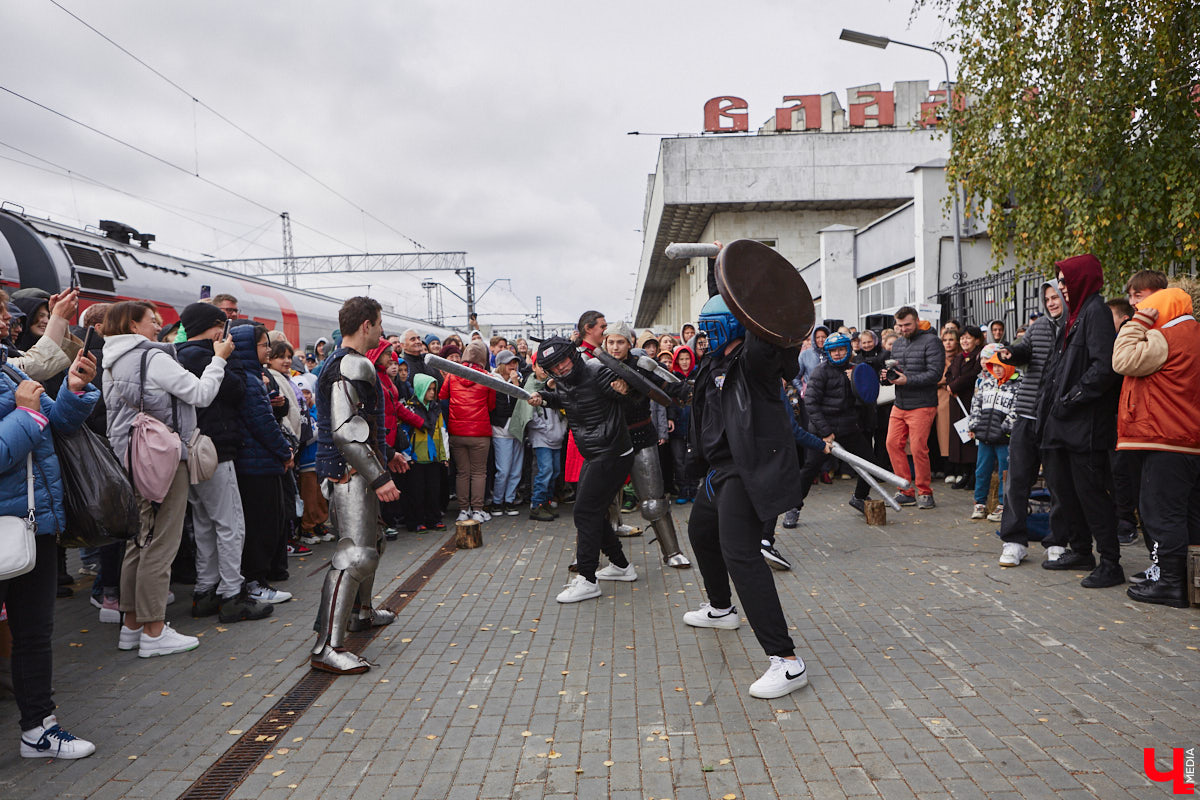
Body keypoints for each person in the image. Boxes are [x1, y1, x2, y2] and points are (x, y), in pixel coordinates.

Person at [682, 283, 810, 700]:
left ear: (738, 324)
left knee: (741, 555)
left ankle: (787, 662)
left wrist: (740, 280)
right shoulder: (714, 361)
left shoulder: (755, 360)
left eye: (711, 325)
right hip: (718, 470)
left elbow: (768, 329)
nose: (703, 334)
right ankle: (721, 608)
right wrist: (723, 275)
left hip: (746, 470)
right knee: (701, 532)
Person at [102, 301, 229, 658]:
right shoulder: (152, 358)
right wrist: (218, 359)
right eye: (151, 321)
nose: (158, 327)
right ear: (133, 324)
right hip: (163, 458)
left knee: (138, 541)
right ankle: (155, 630)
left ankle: (131, 626)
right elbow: (201, 393)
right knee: (162, 542)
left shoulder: (112, 360)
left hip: (130, 457)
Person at [0, 324, 99, 758]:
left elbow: (52, 426)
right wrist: (25, 414)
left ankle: (39, 729)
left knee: (35, 634)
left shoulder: (6, 366)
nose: (9, 322)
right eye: (1, 312)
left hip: (31, 524)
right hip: (8, 526)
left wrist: (75, 390)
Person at [310, 297, 408, 675]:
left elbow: (361, 425)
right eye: (380, 323)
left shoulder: (344, 363)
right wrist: (378, 476)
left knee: (373, 542)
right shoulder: (352, 364)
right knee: (355, 555)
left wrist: (388, 456)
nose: (382, 331)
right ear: (366, 324)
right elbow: (347, 431)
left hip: (353, 470)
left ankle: (360, 613)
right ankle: (326, 648)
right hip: (349, 472)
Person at [175, 304, 272, 623]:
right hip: (215, 448)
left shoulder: (178, 355)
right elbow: (235, 389)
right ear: (215, 327)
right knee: (230, 524)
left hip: (190, 450)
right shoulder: (208, 356)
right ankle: (232, 594)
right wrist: (228, 357)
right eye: (223, 325)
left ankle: (205, 591)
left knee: (203, 523)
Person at [527, 336, 636, 602]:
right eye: (554, 367)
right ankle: (622, 566)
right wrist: (544, 398)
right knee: (593, 511)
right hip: (595, 453)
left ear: (572, 356)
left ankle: (588, 578)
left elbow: (629, 393)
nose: (561, 369)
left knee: (585, 511)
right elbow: (568, 399)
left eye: (562, 362)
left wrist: (625, 389)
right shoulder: (563, 381)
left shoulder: (597, 371)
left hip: (612, 452)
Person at [1038, 254, 1123, 588]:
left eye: (1064, 281)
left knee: (1090, 494)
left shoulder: (1096, 312)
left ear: (1080, 279)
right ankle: (1081, 549)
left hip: (1083, 426)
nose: (1061, 287)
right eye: (1058, 282)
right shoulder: (1075, 317)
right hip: (1061, 425)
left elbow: (1105, 368)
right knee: (1065, 490)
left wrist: (1071, 399)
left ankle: (1111, 562)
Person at [1112, 285, 1200, 607]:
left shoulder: (1167, 336)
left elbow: (1121, 360)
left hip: (1166, 439)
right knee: (1189, 515)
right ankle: (1190, 580)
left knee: (1161, 514)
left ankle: (1170, 583)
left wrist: (1135, 325)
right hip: (1189, 441)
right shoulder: (1195, 333)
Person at [605, 322, 691, 568]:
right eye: (611, 341)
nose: (615, 346)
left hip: (642, 436)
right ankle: (588, 554)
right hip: (610, 440)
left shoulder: (642, 365)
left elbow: (668, 383)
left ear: (629, 343)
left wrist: (686, 392)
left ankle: (672, 552)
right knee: (598, 500)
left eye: (620, 341)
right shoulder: (596, 366)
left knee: (653, 501)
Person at [996, 280, 1065, 567]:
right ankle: (1014, 541)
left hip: (1057, 418)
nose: (1051, 302)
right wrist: (1010, 353)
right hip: (1026, 414)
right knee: (1017, 481)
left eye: (1055, 297)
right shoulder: (1038, 327)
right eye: (1047, 298)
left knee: (1059, 483)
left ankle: (1058, 541)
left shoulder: (1076, 328)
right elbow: (1024, 350)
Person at [796, 332, 876, 515]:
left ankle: (860, 498)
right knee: (810, 469)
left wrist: (855, 382)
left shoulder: (856, 370)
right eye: (834, 351)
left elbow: (867, 400)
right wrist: (825, 432)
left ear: (848, 350)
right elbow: (811, 403)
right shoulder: (820, 371)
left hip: (848, 428)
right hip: (822, 431)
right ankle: (794, 506)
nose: (838, 354)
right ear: (828, 353)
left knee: (869, 462)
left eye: (841, 349)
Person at [881, 307, 943, 508]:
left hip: (923, 404)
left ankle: (925, 492)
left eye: (907, 324)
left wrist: (907, 380)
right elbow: (898, 373)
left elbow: (935, 374)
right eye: (899, 325)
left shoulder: (932, 341)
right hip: (900, 403)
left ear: (916, 321)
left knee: (918, 448)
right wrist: (888, 377)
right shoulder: (897, 344)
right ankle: (905, 489)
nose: (903, 329)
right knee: (891, 443)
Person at [440, 341, 496, 522]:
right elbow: (491, 405)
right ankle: (478, 510)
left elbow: (443, 397)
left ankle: (463, 510)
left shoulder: (452, 375)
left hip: (457, 432)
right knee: (479, 472)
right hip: (480, 432)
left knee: (462, 472)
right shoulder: (487, 377)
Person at [967, 354, 1020, 522]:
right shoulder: (987, 383)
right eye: (993, 366)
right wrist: (974, 425)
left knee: (1005, 471)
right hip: (984, 436)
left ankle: (1004, 505)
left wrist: (1006, 428)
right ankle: (979, 503)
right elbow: (976, 403)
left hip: (1004, 438)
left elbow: (1017, 409)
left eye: (1000, 366)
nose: (996, 369)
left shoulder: (1018, 385)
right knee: (982, 470)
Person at [401, 373, 449, 532]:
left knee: (433, 491)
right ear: (421, 389)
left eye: (434, 389)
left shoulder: (436, 408)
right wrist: (407, 456)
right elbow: (405, 434)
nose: (432, 393)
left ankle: (434, 519)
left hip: (433, 456)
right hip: (416, 457)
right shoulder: (410, 408)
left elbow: (442, 432)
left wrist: (444, 455)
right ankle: (416, 520)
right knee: (416, 492)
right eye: (428, 389)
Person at [525, 355, 567, 521]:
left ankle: (546, 501)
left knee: (554, 470)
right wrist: (547, 429)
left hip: (557, 436)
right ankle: (537, 505)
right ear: (534, 366)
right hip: (542, 438)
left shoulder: (555, 384)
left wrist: (560, 429)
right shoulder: (530, 386)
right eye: (540, 366)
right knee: (545, 470)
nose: (543, 370)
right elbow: (529, 415)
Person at [945, 326, 984, 490]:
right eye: (962, 338)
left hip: (970, 400)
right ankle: (965, 473)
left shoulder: (979, 356)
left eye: (968, 338)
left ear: (976, 340)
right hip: (956, 401)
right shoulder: (959, 357)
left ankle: (974, 475)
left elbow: (972, 375)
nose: (965, 341)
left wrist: (953, 386)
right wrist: (949, 385)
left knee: (971, 438)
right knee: (960, 438)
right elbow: (949, 374)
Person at [488, 350, 525, 515]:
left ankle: (509, 500)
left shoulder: (519, 380)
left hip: (517, 431)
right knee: (503, 469)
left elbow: (521, 406)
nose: (513, 366)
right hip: (501, 430)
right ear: (501, 365)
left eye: (515, 362)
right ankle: (497, 501)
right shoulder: (492, 381)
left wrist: (516, 385)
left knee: (516, 469)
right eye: (510, 363)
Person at [669, 345, 697, 503]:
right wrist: (671, 418)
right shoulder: (672, 378)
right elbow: (669, 401)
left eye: (687, 358)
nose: (685, 362)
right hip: (678, 426)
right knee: (678, 460)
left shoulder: (698, 375)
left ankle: (693, 489)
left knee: (693, 457)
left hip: (694, 425)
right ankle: (682, 490)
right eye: (681, 359)